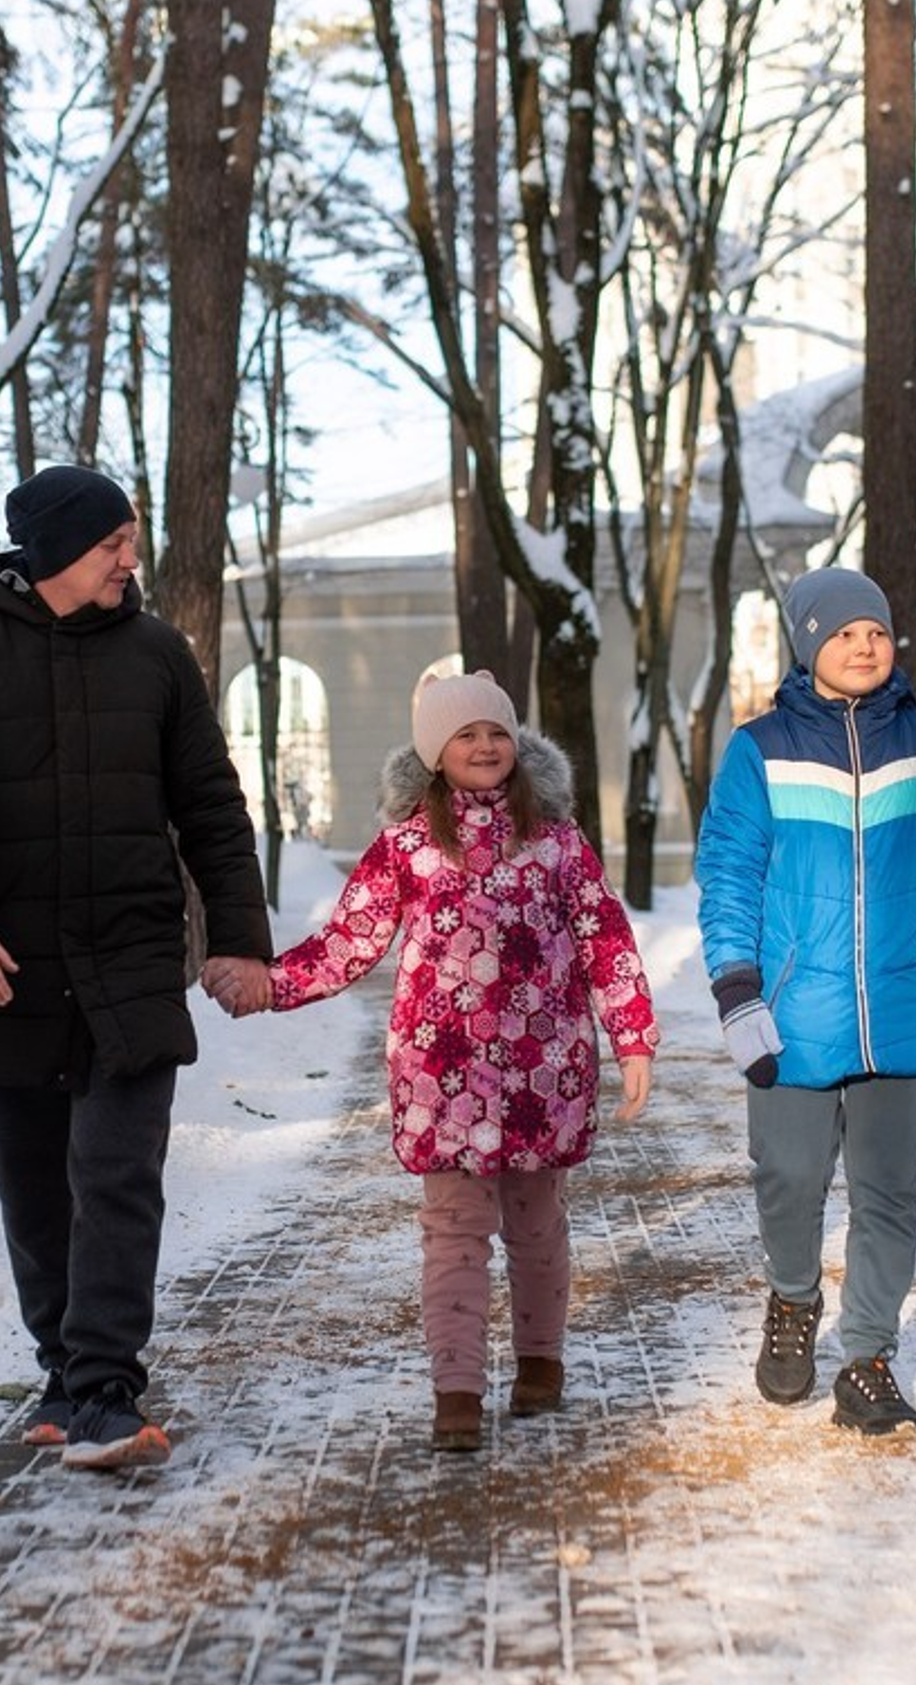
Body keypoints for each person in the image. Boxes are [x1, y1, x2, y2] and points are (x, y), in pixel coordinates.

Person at [205, 670, 658, 1453]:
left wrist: (634, 1035)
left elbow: (603, 937)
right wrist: (271, 984)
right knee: (453, 1231)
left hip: (544, 1073)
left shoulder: (556, 840)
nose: (484, 745)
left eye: (496, 732)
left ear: (516, 746)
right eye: (465, 734)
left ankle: (540, 1361)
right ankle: (457, 1390)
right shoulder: (407, 845)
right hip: (442, 1077)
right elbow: (350, 942)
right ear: (434, 754)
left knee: (537, 1224)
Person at [0, 464, 272, 1471]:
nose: (129, 559)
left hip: (129, 958)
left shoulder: (158, 654)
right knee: (31, 1189)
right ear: (57, 549)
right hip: (16, 975)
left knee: (116, 1176)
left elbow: (209, 804)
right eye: (112, 542)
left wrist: (238, 936)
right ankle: (64, 1375)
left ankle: (108, 1387)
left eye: (131, 540)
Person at [696, 569, 916, 1435]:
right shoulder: (762, 750)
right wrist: (736, 986)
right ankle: (793, 1297)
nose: (864, 646)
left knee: (888, 1195)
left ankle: (866, 1358)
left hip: (904, 1007)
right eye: (843, 633)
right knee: (789, 1178)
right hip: (793, 1011)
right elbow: (729, 875)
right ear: (809, 645)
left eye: (876, 630)